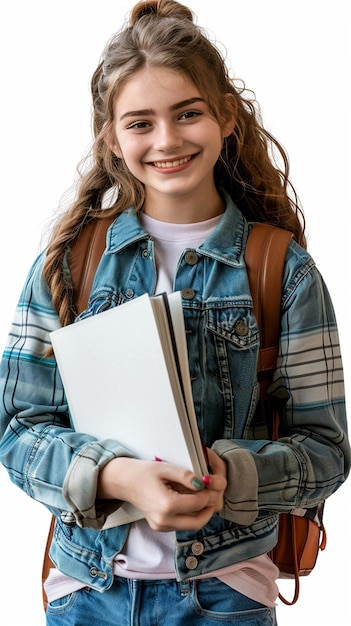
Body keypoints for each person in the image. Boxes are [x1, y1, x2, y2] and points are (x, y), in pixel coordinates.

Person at [0, 0, 349, 624]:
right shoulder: (69, 264)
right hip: (87, 595)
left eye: (187, 114)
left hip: (224, 596)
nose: (167, 140)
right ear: (111, 138)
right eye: (140, 123)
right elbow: (16, 428)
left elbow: (326, 449)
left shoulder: (281, 270)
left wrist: (234, 475)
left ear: (227, 119)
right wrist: (114, 478)